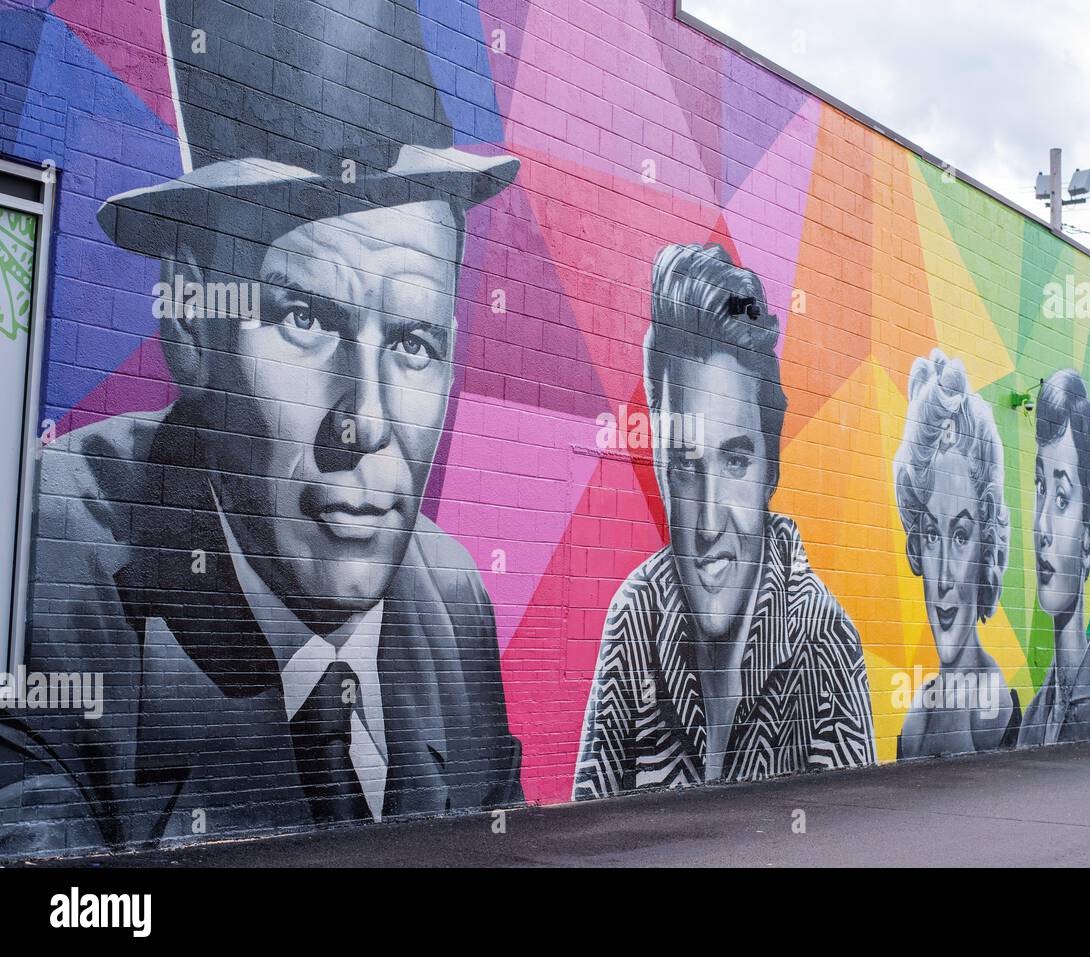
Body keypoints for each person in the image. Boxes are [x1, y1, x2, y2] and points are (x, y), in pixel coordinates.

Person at [0, 0, 522, 854]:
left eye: (415, 341)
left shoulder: (452, 602)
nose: (366, 421)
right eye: (307, 321)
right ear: (192, 328)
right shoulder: (43, 574)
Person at [572, 243, 874, 799]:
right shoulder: (637, 615)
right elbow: (587, 818)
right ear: (659, 466)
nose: (709, 521)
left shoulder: (823, 642)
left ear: (770, 469)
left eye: (735, 461)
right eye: (686, 465)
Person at [893, 350, 1019, 757]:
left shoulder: (988, 706)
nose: (944, 576)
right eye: (932, 534)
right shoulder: (918, 715)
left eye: (962, 535)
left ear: (988, 550)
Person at [1018, 370, 1090, 747]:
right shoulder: (1037, 712)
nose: (1042, 525)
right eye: (1041, 486)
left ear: (1089, 533)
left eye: (1061, 498)